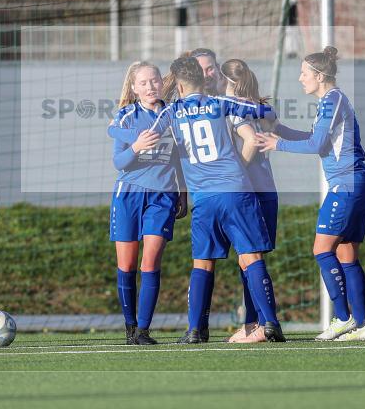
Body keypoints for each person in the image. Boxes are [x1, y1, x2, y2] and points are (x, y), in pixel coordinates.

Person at [109, 56, 286, 343]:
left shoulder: (172, 111)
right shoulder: (220, 104)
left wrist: (123, 130)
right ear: (203, 81)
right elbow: (262, 111)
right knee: (251, 257)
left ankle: (194, 330)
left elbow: (147, 132)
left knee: (202, 262)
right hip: (234, 189)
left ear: (177, 85)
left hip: (204, 197)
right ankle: (270, 324)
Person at [257, 46, 365, 342]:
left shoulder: (331, 100)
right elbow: (317, 141)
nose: (300, 78)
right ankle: (361, 325)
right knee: (346, 254)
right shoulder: (332, 100)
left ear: (319, 76)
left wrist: (277, 145)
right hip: (357, 182)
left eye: (304, 73)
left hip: (346, 184)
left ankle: (343, 318)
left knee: (322, 250)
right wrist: (280, 131)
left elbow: (314, 146)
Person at [108, 62, 186, 345]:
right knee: (127, 265)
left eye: (154, 81)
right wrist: (137, 146)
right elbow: (119, 162)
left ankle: (143, 329)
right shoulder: (126, 116)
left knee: (150, 260)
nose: (150, 86)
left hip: (163, 196)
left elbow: (179, 157)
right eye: (143, 83)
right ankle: (130, 327)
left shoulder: (173, 114)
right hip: (129, 195)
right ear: (133, 88)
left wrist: (183, 191)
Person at [221, 59, 279, 343]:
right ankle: (254, 323)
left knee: (248, 258)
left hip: (249, 189)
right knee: (249, 259)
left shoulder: (233, 108)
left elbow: (251, 142)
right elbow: (271, 116)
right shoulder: (259, 105)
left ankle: (263, 325)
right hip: (267, 187)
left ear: (226, 82)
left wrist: (237, 174)